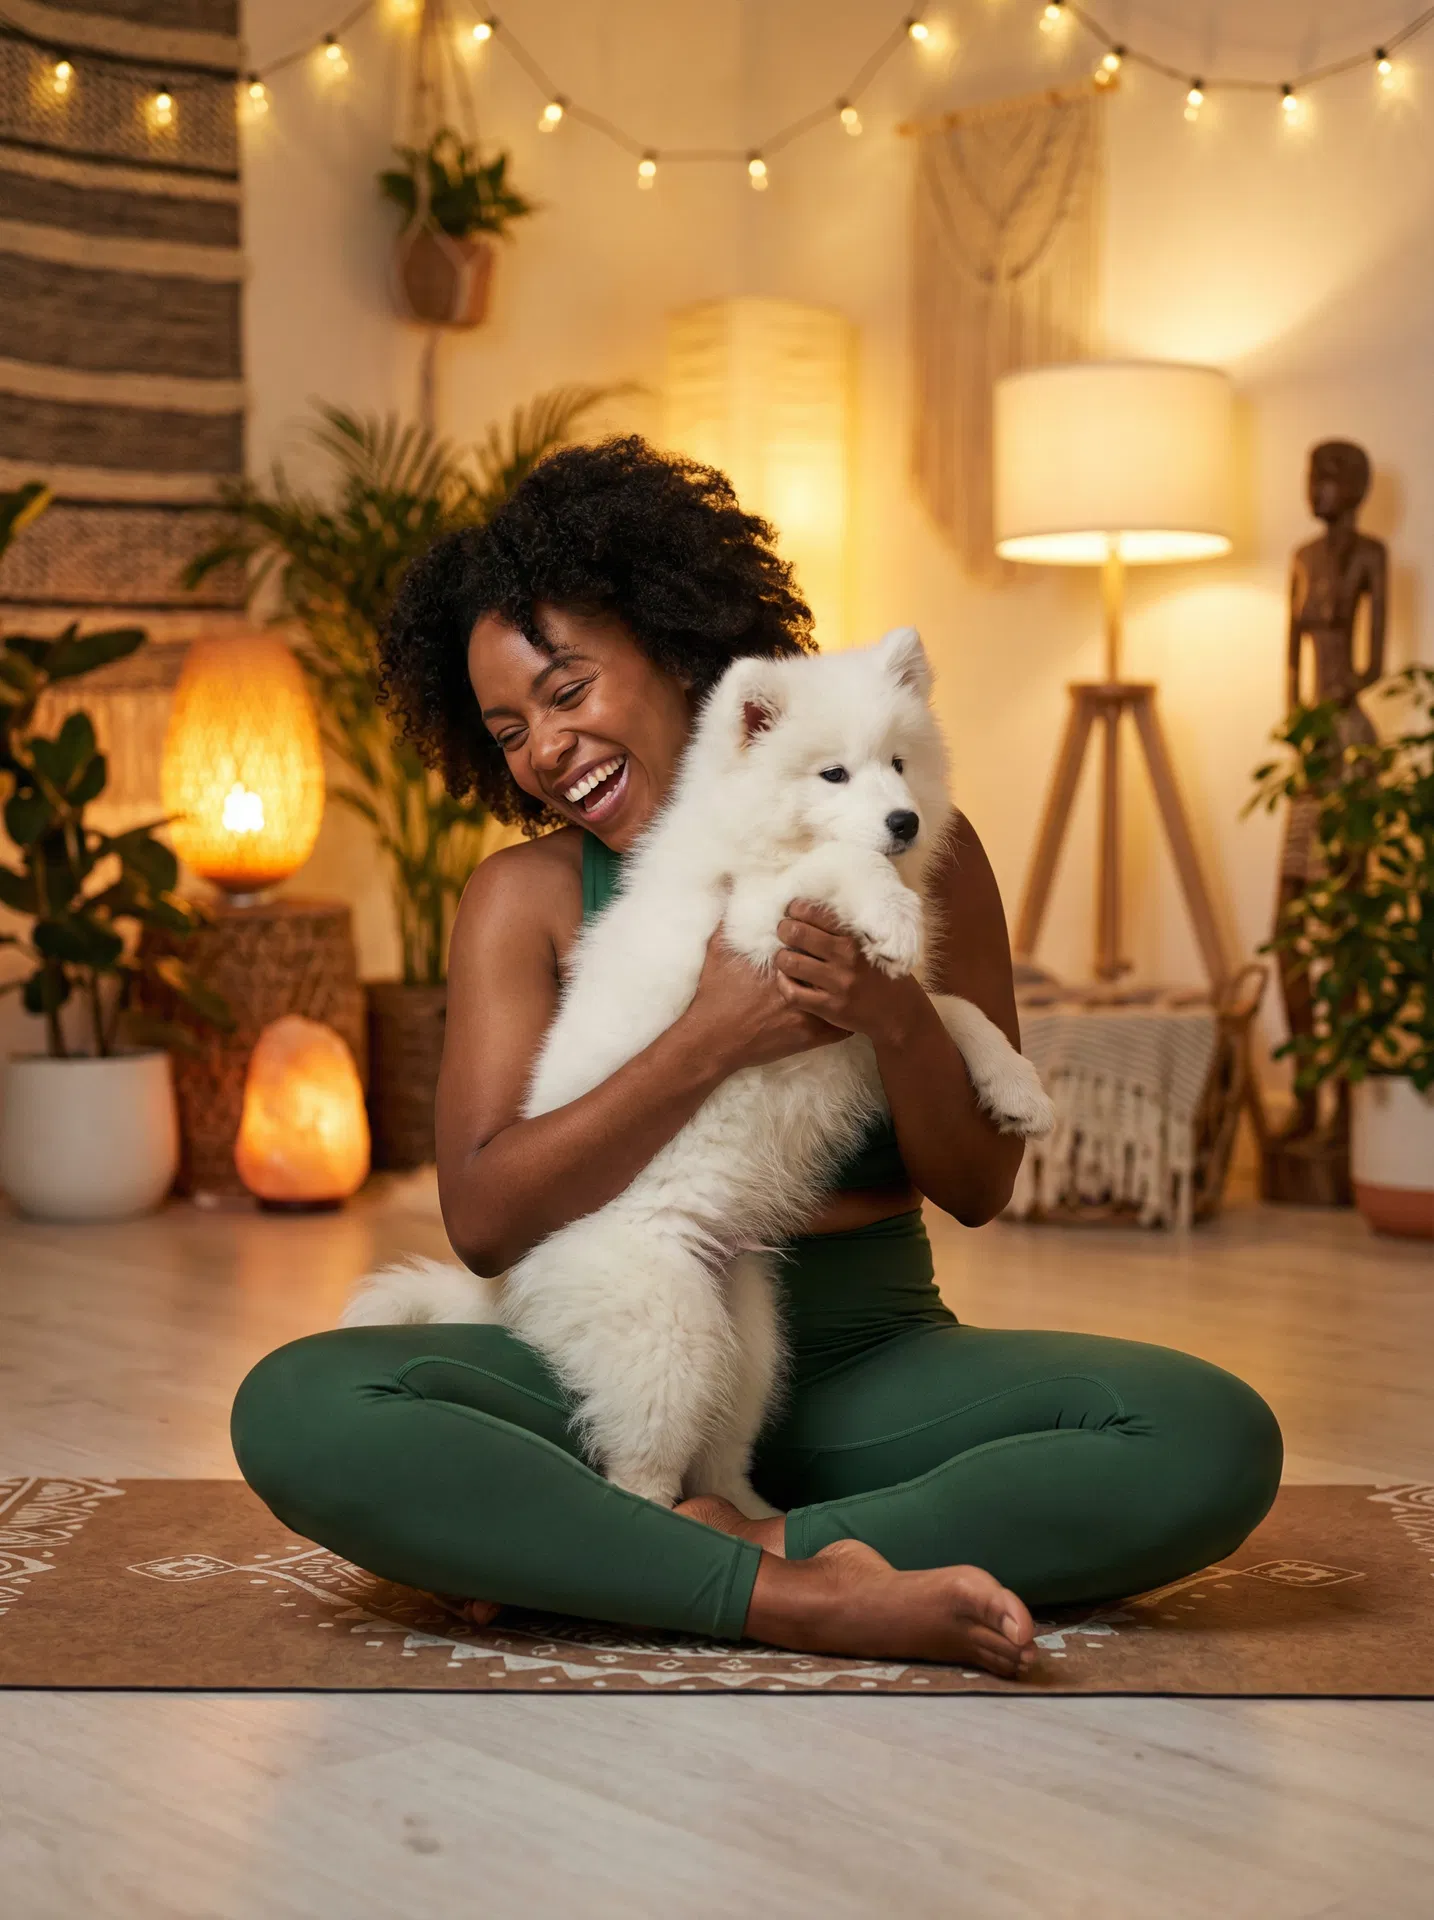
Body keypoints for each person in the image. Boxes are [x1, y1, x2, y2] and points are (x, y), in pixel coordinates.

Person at [232, 438, 1282, 1678]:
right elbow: (484, 1217)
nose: (545, 749)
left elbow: (981, 1188)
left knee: (1209, 1436)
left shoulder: (917, 850)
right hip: (600, 1345)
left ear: (682, 654)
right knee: (299, 1406)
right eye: (509, 728)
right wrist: (705, 1039)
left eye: (570, 693)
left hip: (869, 1364)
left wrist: (892, 1015)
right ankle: (812, 1598)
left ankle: (704, 1549)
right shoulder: (526, 898)